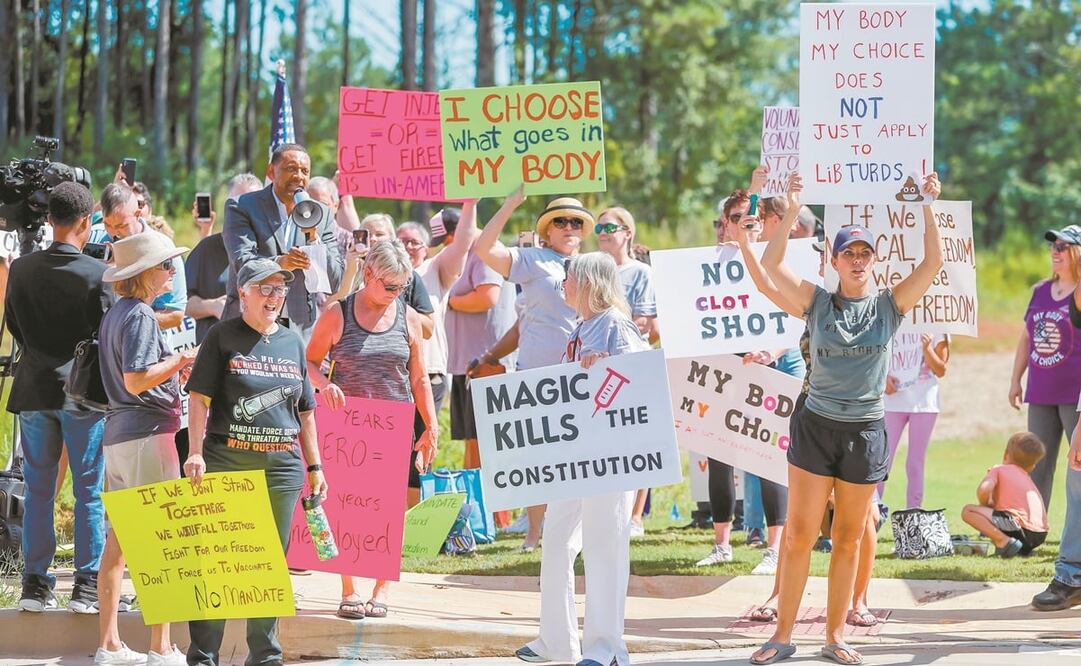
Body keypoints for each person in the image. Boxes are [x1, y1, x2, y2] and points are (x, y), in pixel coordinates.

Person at [751, 172, 943, 666]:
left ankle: (835, 636)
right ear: (834, 262)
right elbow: (771, 262)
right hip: (815, 426)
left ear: (873, 261)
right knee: (798, 535)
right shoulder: (815, 302)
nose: (857, 261)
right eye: (848, 254)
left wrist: (926, 204)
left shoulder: (889, 306)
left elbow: (934, 262)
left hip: (864, 433)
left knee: (849, 538)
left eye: (864, 254)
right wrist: (793, 206)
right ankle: (783, 634)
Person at [182, 258, 328, 666]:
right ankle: (204, 654)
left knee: (269, 562)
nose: (274, 296)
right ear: (242, 292)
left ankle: (264, 655)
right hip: (227, 460)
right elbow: (199, 399)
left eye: (280, 289)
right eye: (265, 288)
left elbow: (305, 410)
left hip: (281, 468)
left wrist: (315, 467)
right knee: (217, 559)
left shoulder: (293, 341)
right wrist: (195, 451)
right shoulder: (221, 337)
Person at [514, 252, 648, 666]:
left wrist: (606, 363)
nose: (563, 286)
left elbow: (640, 374)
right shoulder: (583, 326)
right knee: (556, 539)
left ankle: (607, 648)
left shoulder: (615, 323)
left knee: (604, 544)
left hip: (610, 455)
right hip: (577, 456)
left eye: (568, 279)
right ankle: (556, 640)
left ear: (589, 282)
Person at [306, 240, 438, 620]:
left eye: (402, 287)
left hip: (392, 426)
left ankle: (382, 586)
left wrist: (430, 425)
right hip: (348, 426)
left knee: (386, 509)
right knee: (346, 507)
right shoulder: (338, 314)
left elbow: (419, 377)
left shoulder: (409, 317)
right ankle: (349, 588)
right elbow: (310, 361)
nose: (395, 294)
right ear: (368, 275)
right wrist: (323, 385)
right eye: (389, 286)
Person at [4, 182, 106, 614]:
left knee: (40, 489)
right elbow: (104, 335)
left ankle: (35, 585)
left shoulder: (23, 269)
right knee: (88, 490)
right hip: (83, 393)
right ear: (86, 221)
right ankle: (85, 586)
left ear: (49, 219)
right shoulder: (98, 274)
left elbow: (15, 327)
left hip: (35, 387)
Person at [97, 231, 197, 666]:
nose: (172, 272)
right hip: (147, 436)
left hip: (120, 436)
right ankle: (161, 646)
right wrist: (182, 359)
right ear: (143, 274)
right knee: (164, 541)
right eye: (165, 265)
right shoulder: (139, 315)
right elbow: (137, 379)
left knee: (118, 543)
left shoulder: (117, 314)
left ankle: (110, 644)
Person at [474, 187, 592, 551]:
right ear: (547, 230)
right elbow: (483, 248)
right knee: (538, 455)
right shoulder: (531, 259)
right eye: (561, 221)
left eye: (576, 221)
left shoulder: (594, 265)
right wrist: (510, 202)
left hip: (581, 371)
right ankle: (533, 533)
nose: (569, 226)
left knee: (578, 456)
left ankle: (573, 533)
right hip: (537, 371)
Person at [694, 186, 791, 575]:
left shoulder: (775, 260)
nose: (743, 226)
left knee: (768, 456)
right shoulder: (705, 265)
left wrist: (773, 352)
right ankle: (722, 544)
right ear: (724, 224)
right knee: (718, 456)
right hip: (719, 369)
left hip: (762, 367)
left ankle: (774, 549)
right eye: (736, 219)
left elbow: (792, 313)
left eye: (750, 219)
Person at [222, 143, 344, 339]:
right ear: (271, 171)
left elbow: (335, 281)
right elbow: (242, 263)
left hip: (298, 333)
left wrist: (313, 238)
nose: (299, 176)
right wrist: (280, 264)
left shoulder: (322, 215)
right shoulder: (242, 207)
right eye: (291, 168)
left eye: (305, 171)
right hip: (247, 327)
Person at [1009, 225, 1081, 508]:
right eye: (1053, 246)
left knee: (1077, 464)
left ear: (1077, 252)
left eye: (1062, 247)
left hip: (1074, 393)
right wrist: (1016, 380)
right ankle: (1035, 527)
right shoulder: (1040, 291)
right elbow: (1026, 336)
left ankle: (1074, 537)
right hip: (1040, 391)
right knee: (1037, 463)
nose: (1055, 251)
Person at [446, 215, 518, 470]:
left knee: (485, 444)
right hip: (468, 362)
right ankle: (477, 505)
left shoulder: (481, 251)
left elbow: (488, 296)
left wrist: (449, 301)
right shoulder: (471, 252)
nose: (447, 250)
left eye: (446, 242)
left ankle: (490, 508)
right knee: (473, 442)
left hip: (485, 364)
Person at [397, 204, 476, 415]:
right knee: (394, 447)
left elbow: (461, 245)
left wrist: (471, 204)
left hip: (429, 372)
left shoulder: (435, 269)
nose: (408, 247)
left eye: (414, 242)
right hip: (391, 374)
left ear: (426, 248)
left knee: (423, 444)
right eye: (402, 242)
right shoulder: (379, 276)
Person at [326, 212, 436, 339]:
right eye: (367, 234)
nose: (373, 239)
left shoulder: (408, 275)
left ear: (392, 238)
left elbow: (428, 329)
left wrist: (393, 308)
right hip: (349, 349)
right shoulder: (346, 269)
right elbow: (329, 312)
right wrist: (351, 271)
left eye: (379, 234)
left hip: (394, 352)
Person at [186, 174, 265, 344]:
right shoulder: (206, 249)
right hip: (214, 354)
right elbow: (184, 304)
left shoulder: (272, 249)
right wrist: (212, 306)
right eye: (235, 203)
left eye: (250, 203)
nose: (241, 209)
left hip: (259, 354)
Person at [99, 182, 187, 329]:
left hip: (152, 346)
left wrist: (126, 322)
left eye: (121, 225)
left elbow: (175, 315)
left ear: (138, 214)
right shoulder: (99, 243)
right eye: (107, 225)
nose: (113, 232)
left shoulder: (163, 247)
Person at [882, 333, 950, 508]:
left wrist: (927, 349)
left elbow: (941, 370)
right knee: (881, 461)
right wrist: (883, 378)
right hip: (892, 402)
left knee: (915, 464)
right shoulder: (891, 313)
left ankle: (913, 516)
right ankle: (872, 516)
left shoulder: (937, 324)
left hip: (924, 403)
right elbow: (875, 352)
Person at [962, 432, 1048, 558]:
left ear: (1006, 455)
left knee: (968, 511)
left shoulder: (999, 469)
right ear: (1032, 466)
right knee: (1002, 516)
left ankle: (1004, 542)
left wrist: (984, 505)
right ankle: (1022, 549)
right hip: (1039, 534)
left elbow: (984, 489)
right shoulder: (1026, 477)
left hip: (1018, 527)